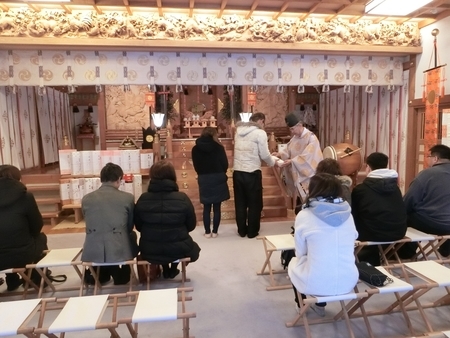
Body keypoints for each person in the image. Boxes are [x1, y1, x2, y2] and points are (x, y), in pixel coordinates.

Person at [288, 173, 358, 317]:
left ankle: (301, 305)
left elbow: (300, 251)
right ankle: (319, 306)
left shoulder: (305, 214)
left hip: (316, 282)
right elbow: (353, 240)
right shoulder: (348, 214)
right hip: (349, 280)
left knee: (294, 260)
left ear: (313, 190)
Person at [134, 160, 201, 279]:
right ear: (172, 176)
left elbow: (139, 226)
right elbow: (191, 225)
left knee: (161, 242)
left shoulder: (143, 199)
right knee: (190, 248)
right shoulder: (182, 198)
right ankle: (172, 269)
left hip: (150, 249)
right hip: (179, 248)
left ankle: (165, 268)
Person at [81, 162, 138, 285]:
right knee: (131, 235)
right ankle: (119, 272)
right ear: (119, 179)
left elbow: (89, 221)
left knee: (102, 235)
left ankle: (100, 273)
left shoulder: (86, 198)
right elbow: (129, 226)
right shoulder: (127, 198)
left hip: (92, 250)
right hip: (118, 248)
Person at [351, 152, 407, 266]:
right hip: (398, 232)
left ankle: (365, 257)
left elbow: (353, 215)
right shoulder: (395, 188)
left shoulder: (360, 189)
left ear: (368, 167)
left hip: (371, 234)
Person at [0, 165, 48, 291]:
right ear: (18, 179)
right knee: (40, 238)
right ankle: (37, 279)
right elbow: (37, 226)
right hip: (23, 254)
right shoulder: (25, 197)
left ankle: (12, 279)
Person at [233, 112, 280, 238]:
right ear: (260, 121)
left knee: (240, 202)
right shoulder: (260, 133)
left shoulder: (238, 131)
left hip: (237, 172)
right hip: (252, 172)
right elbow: (264, 154)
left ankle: (242, 230)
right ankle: (252, 231)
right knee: (254, 203)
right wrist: (273, 162)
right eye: (263, 122)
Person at [403, 144, 450, 257]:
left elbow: (409, 200)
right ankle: (446, 250)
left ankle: (406, 253)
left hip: (430, 222)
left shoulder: (427, 174)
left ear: (435, 158)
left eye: (428, 156)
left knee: (407, 215)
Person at [275, 113, 323, 204]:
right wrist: (279, 154)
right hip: (298, 173)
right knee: (299, 201)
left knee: (309, 201)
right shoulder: (295, 138)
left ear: (300, 125)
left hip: (309, 175)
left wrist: (292, 161)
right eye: (290, 129)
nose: (291, 131)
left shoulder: (311, 138)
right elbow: (288, 149)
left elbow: (308, 156)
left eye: (292, 129)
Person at [192, 127, 230, 238]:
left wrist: (202, 173)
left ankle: (207, 232)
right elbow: (225, 164)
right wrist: (220, 172)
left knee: (206, 207)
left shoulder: (195, 149)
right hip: (218, 177)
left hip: (204, 177)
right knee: (217, 207)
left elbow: (196, 165)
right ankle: (215, 232)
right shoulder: (218, 147)